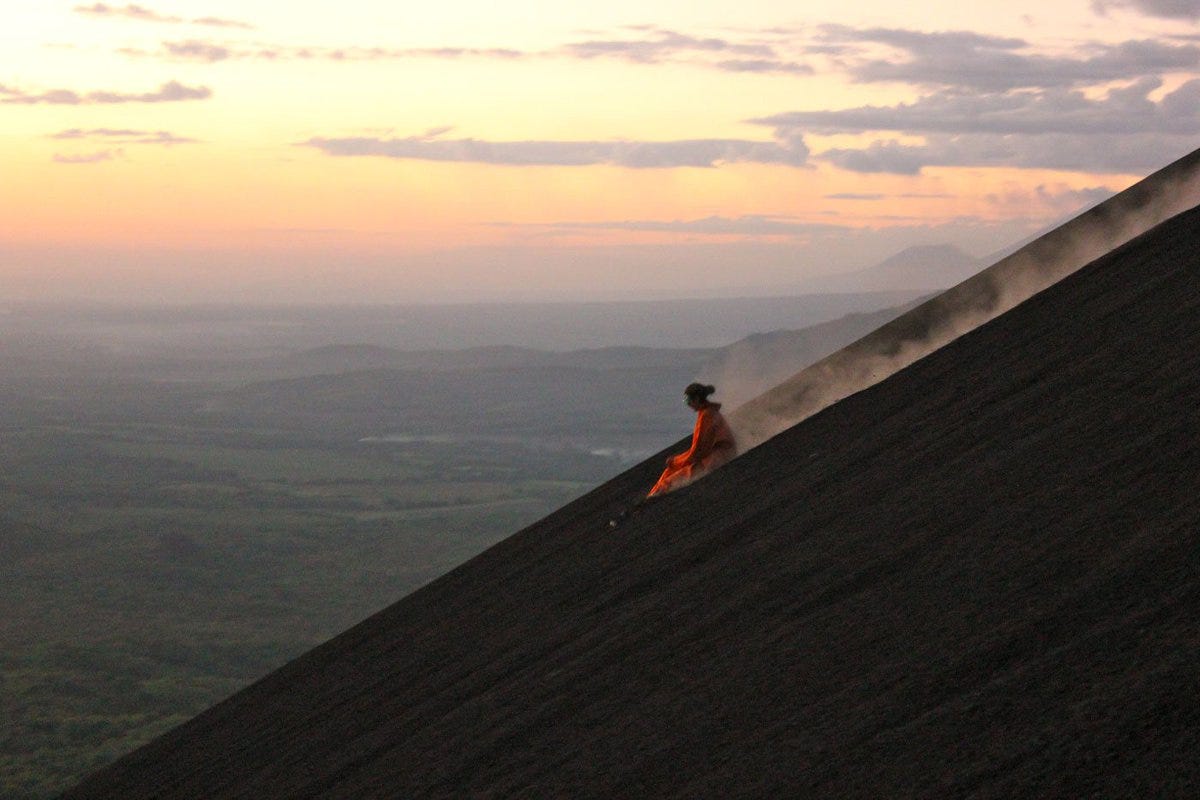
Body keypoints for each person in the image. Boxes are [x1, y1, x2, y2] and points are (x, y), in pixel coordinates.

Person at [647, 382, 737, 498]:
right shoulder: (708, 412)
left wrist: (675, 461)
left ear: (697, 399)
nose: (688, 404)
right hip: (714, 456)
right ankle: (651, 496)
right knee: (669, 471)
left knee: (668, 481)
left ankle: (651, 499)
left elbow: (697, 452)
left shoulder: (707, 416)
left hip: (716, 459)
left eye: (688, 400)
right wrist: (676, 461)